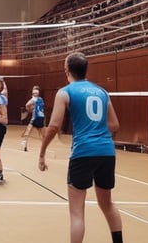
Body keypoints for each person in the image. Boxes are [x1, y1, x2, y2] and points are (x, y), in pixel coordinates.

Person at [38, 52, 123, 243]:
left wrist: (42, 153)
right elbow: (115, 125)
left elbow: (53, 126)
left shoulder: (65, 92)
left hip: (83, 152)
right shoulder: (102, 92)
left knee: (77, 213)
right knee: (107, 204)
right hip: (106, 152)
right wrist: (97, 130)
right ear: (86, 70)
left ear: (66, 70)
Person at [21, 85, 46, 152]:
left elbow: (27, 105)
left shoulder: (33, 99)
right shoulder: (41, 99)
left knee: (28, 131)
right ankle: (43, 148)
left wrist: (29, 110)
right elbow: (41, 109)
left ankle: (25, 144)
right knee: (43, 135)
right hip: (41, 117)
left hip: (35, 118)